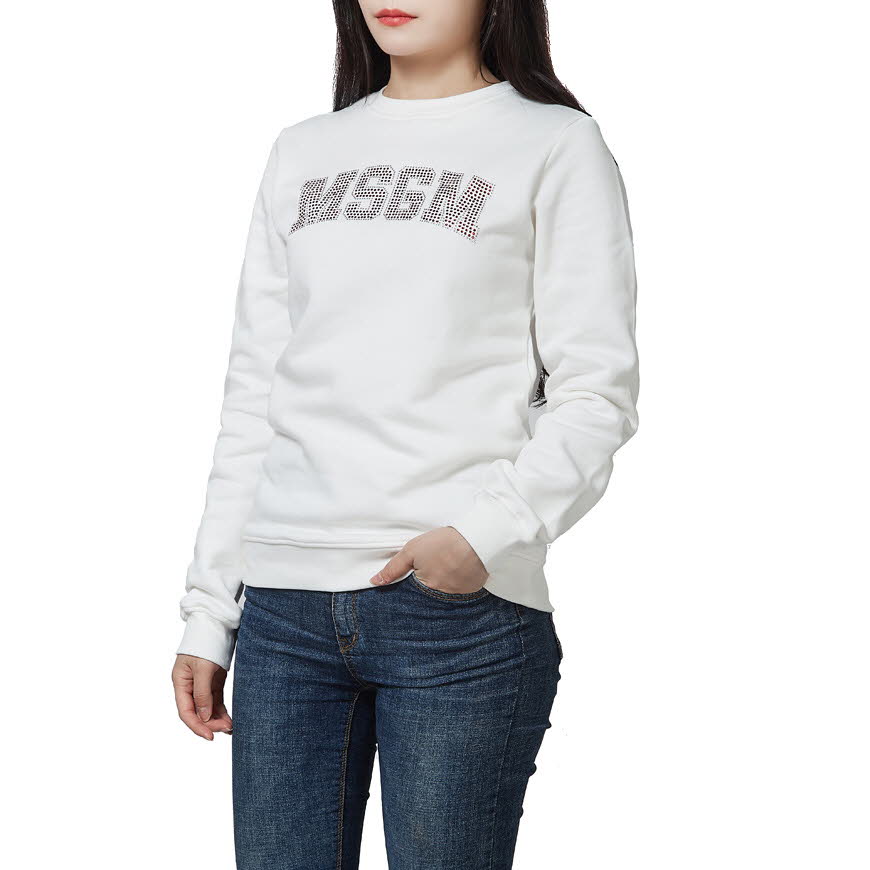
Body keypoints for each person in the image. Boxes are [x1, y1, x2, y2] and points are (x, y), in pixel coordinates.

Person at [171, 1, 639, 867]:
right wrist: (210, 613)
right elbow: (256, 398)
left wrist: (480, 537)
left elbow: (595, 394)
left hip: (457, 616)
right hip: (282, 613)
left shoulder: (555, 144)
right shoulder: (303, 151)